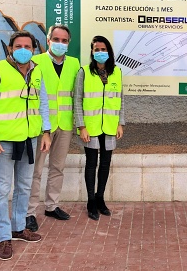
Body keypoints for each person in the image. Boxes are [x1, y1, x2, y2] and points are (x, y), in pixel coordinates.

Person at [0, 31, 52, 260]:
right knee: (1, 191)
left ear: (34, 49)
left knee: (24, 187)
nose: (23, 49)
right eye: (18, 45)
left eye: (28, 46)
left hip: (28, 139)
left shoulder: (37, 71)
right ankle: (3, 238)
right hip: (3, 143)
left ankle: (18, 228)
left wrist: (46, 132)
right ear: (10, 48)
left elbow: (43, 104)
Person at [26, 25, 80, 231]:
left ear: (68, 43)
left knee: (57, 167)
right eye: (56, 39)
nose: (60, 43)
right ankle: (29, 212)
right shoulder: (36, 62)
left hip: (64, 125)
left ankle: (51, 205)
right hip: (42, 127)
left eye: (64, 40)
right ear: (48, 41)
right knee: (36, 170)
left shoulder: (74, 64)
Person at [74, 35, 124, 220]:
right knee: (91, 164)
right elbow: (77, 100)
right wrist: (81, 126)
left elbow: (121, 99)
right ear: (92, 52)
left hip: (110, 126)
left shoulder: (117, 72)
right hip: (91, 126)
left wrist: (120, 122)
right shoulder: (84, 72)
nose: (100, 53)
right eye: (97, 50)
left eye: (103, 50)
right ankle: (90, 201)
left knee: (105, 164)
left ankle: (100, 198)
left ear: (109, 52)